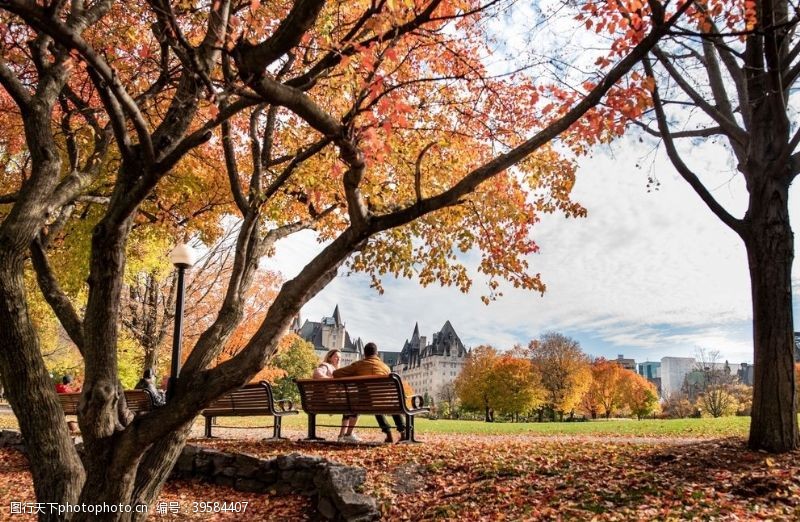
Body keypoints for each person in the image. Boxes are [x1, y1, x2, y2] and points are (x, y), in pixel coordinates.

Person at [333, 342, 407, 443]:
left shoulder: (358, 365)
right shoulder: (385, 367)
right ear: (376, 354)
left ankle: (388, 433)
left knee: (373, 401)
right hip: (385, 402)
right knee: (386, 402)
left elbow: (336, 373)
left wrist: (354, 376)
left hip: (365, 403)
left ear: (365, 354)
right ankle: (403, 433)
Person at [313, 349, 359, 442]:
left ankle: (341, 436)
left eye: (340, 357)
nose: (339, 359)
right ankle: (346, 435)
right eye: (336, 357)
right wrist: (332, 381)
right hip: (326, 401)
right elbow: (317, 373)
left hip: (328, 400)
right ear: (330, 358)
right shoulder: (326, 365)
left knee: (349, 405)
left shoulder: (336, 370)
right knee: (352, 405)